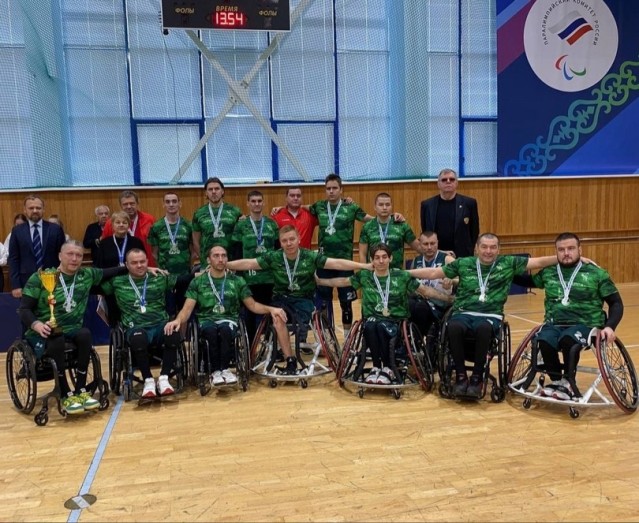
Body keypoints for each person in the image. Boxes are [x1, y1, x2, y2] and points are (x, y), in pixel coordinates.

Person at [408, 233, 558, 398]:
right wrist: (406, 273)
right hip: (464, 312)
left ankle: (477, 377)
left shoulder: (507, 263)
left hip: (490, 314)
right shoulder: (464, 263)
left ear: (498, 249)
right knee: (453, 326)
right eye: (484, 247)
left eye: (493, 247)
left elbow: (539, 262)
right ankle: (461, 376)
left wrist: (564, 257)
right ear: (476, 249)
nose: (488, 251)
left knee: (484, 328)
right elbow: (433, 273)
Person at [227, 225, 371, 375]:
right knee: (277, 317)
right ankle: (290, 360)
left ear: (298, 239)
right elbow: (249, 263)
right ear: (280, 242)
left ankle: (296, 346)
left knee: (299, 315)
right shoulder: (274, 257)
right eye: (284, 241)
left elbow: (336, 263)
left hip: (304, 300)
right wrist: (226, 264)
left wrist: (363, 265)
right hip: (281, 300)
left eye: (292, 239)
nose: (289, 243)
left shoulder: (310, 256)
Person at [316, 243, 452, 385]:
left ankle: (387, 368)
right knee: (370, 326)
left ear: (390, 258)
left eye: (384, 257)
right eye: (377, 257)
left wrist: (449, 299)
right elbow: (343, 281)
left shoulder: (401, 276)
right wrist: (321, 281)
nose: (381, 261)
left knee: (380, 326)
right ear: (372, 260)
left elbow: (425, 291)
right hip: (371, 319)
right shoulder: (365, 276)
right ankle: (376, 367)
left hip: (395, 321)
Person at [17, 241, 125, 414]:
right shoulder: (41, 277)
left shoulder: (86, 275)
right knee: (57, 338)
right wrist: (37, 325)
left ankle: (80, 390)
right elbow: (24, 309)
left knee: (85, 334)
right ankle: (65, 392)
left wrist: (144, 268)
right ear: (60, 256)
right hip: (44, 332)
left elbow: (114, 271)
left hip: (72, 329)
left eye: (79, 255)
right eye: (70, 254)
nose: (74, 259)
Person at [165, 246, 287, 386]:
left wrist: (271, 309)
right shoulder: (198, 282)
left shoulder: (237, 281)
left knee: (225, 329)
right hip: (207, 320)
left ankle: (225, 369)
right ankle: (216, 371)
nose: (220, 259)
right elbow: (187, 309)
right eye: (216, 256)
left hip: (229, 320)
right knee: (211, 331)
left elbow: (252, 305)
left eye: (223, 255)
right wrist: (178, 320)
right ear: (208, 260)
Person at [522, 232, 623, 400]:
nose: (566, 253)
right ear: (556, 252)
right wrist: (503, 271)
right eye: (561, 250)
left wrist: (610, 326)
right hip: (555, 323)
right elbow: (526, 281)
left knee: (568, 339)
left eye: (571, 248)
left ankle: (569, 382)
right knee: (544, 340)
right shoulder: (549, 272)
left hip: (587, 325)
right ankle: (558, 381)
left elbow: (616, 303)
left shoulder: (597, 274)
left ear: (580, 250)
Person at [101, 248, 193, 399]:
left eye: (142, 262)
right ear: (126, 265)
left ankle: (164, 378)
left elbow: (184, 279)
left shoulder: (159, 277)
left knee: (173, 332)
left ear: (148, 262)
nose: (139, 265)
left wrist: (208, 272)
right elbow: (94, 284)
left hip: (160, 325)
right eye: (134, 263)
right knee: (138, 339)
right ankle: (148, 380)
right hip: (135, 327)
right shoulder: (117, 282)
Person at [310, 173, 371, 336]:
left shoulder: (351, 207)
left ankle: (347, 338)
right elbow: (300, 208)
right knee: (323, 302)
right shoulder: (319, 206)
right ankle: (326, 337)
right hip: (324, 262)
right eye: (328, 188)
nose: (331, 191)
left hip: (345, 263)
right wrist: (279, 209)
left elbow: (369, 219)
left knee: (346, 303)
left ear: (341, 189)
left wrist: (391, 217)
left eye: (334, 188)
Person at [230, 190, 280, 346]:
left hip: (269, 278)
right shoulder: (241, 225)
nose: (256, 204)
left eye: (259, 201)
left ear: (263, 203)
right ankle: (250, 347)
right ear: (248, 203)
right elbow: (237, 251)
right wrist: (239, 276)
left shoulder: (272, 224)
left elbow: (278, 250)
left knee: (271, 313)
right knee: (249, 315)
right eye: (253, 201)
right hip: (248, 279)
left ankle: (271, 347)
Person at [9, 195, 66, 298]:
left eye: (38, 208)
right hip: (26, 282)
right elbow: (13, 259)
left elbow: (63, 256)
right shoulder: (17, 231)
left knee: (53, 307)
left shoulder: (55, 229)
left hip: (53, 281)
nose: (35, 210)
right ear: (25, 210)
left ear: (43, 209)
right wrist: (15, 285)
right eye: (31, 208)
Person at [148, 192, 194, 317]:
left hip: (184, 275)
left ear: (180, 204)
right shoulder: (156, 227)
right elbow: (154, 253)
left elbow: (193, 250)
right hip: (165, 276)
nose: (171, 204)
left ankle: (184, 331)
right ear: (163, 204)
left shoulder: (188, 225)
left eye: (174, 201)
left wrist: (187, 265)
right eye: (167, 202)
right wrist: (162, 267)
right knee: (168, 311)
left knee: (184, 310)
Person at [420, 168, 479, 258]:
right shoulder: (427, 205)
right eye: (444, 180)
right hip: (436, 255)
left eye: (452, 179)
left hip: (462, 255)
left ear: (457, 183)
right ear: (438, 184)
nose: (448, 181)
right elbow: (425, 231)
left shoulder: (469, 203)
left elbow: (474, 231)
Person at [408, 231, 456, 339]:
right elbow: (411, 283)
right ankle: (413, 338)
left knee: (421, 308)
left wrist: (451, 280)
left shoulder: (447, 259)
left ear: (437, 243)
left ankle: (420, 339)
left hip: (440, 302)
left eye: (432, 243)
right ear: (420, 244)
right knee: (408, 304)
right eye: (425, 244)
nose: (429, 247)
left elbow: (462, 278)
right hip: (420, 299)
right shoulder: (416, 261)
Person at [359, 192, 420, 270]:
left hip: (396, 273)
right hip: (374, 273)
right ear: (375, 207)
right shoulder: (367, 227)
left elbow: (418, 247)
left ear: (391, 206)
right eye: (381, 205)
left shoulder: (401, 225)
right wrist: (364, 272)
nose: (384, 208)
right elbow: (362, 254)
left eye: (387, 205)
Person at [192, 177, 242, 263]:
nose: (214, 192)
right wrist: (204, 260)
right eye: (210, 189)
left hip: (230, 262)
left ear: (222, 191)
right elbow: (196, 241)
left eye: (217, 189)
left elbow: (240, 237)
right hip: (208, 263)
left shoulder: (235, 211)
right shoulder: (199, 213)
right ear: (206, 193)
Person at [101, 190, 156, 266]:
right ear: (120, 205)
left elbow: (156, 244)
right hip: (118, 267)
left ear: (137, 203)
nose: (129, 206)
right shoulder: (110, 223)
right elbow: (105, 247)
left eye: (132, 203)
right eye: (125, 204)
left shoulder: (149, 220)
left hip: (145, 265)